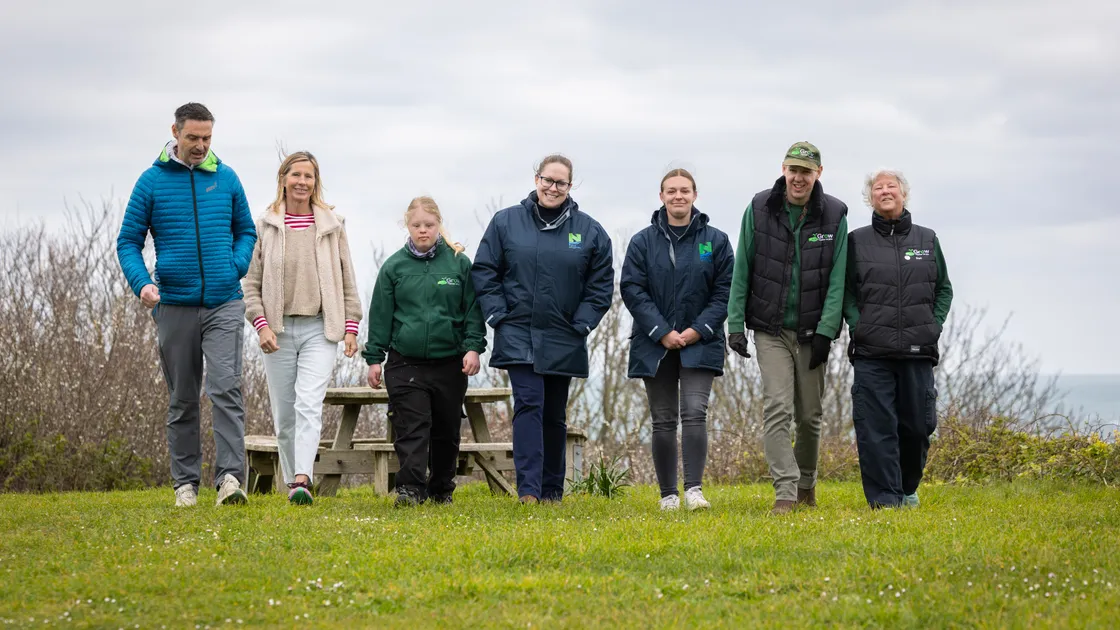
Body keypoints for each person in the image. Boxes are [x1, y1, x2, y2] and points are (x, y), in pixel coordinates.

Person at [116, 102, 257, 507]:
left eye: (207, 138)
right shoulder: (151, 182)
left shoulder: (226, 179)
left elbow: (246, 231)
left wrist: (234, 266)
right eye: (193, 137)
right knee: (182, 396)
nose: (200, 145)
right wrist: (142, 284)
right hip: (173, 305)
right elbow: (128, 241)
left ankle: (230, 480)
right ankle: (185, 484)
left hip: (223, 302)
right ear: (175, 132)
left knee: (226, 388)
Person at [471, 155, 614, 504]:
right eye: (547, 180)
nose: (552, 188)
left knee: (553, 413)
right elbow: (485, 271)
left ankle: (552, 491)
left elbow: (601, 284)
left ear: (570, 186)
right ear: (536, 179)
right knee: (529, 405)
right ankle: (529, 491)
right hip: (517, 331)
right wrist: (498, 315)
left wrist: (582, 322)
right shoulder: (506, 222)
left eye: (560, 183)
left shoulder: (590, 231)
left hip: (563, 334)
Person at [726, 141, 849, 515]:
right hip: (771, 328)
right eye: (793, 170)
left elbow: (838, 279)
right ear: (783, 169)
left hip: (812, 332)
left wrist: (828, 331)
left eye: (806, 172)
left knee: (810, 414)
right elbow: (742, 267)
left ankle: (807, 483)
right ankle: (785, 490)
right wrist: (735, 323)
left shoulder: (835, 215)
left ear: (818, 174)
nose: (798, 178)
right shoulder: (760, 207)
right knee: (777, 406)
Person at [242, 151, 362, 506]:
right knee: (285, 412)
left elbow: (348, 282)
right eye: (295, 175)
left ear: (315, 182)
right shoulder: (264, 225)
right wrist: (261, 325)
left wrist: (351, 327)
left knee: (309, 403)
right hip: (276, 333)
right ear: (283, 179)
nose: (302, 182)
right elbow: (251, 284)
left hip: (319, 330)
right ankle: (292, 482)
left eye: (308, 176)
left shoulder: (332, 225)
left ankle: (302, 481)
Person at [621, 169, 733, 511]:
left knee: (695, 412)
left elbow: (725, 290)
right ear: (662, 197)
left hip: (701, 341)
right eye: (671, 191)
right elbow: (632, 289)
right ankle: (668, 495)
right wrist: (661, 331)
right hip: (654, 344)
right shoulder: (642, 241)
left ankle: (694, 491)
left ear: (695, 195)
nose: (678, 196)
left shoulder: (715, 241)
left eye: (685, 190)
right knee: (664, 419)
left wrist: (698, 329)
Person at [363, 197, 486, 507]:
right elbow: (380, 316)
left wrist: (473, 348)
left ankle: (441, 489)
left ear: (438, 225)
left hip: (450, 362)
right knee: (412, 427)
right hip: (406, 363)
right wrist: (374, 359)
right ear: (408, 226)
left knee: (446, 429)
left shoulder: (459, 264)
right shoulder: (394, 267)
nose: (423, 231)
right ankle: (410, 490)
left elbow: (472, 311)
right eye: (416, 225)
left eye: (429, 225)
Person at [844, 169, 953, 509]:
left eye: (892, 186)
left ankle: (906, 487)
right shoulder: (856, 241)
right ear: (870, 198)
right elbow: (846, 292)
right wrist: (857, 325)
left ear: (903, 194)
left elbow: (944, 290)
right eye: (878, 187)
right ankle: (886, 499)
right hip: (872, 351)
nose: (885, 191)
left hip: (918, 350)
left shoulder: (927, 239)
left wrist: (932, 326)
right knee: (876, 429)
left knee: (919, 426)